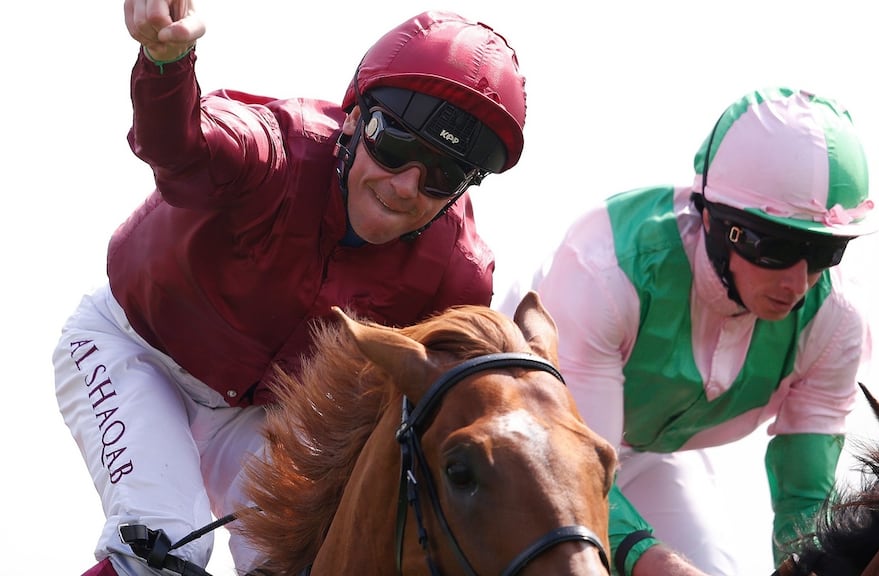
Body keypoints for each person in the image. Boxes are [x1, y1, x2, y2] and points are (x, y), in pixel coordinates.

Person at [53, 3, 528, 575]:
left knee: (306, 564)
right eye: (395, 147)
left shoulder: (460, 273)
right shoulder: (277, 150)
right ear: (353, 121)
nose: (406, 187)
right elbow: (179, 147)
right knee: (163, 546)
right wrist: (166, 61)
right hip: (134, 348)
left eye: (442, 176)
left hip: (266, 411)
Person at [508, 87, 875, 575]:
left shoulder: (836, 319)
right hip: (526, 428)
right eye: (778, 248)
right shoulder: (604, 271)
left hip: (648, 455)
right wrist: (645, 558)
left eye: (825, 253)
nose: (797, 282)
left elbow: (805, 504)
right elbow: (574, 465)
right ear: (715, 221)